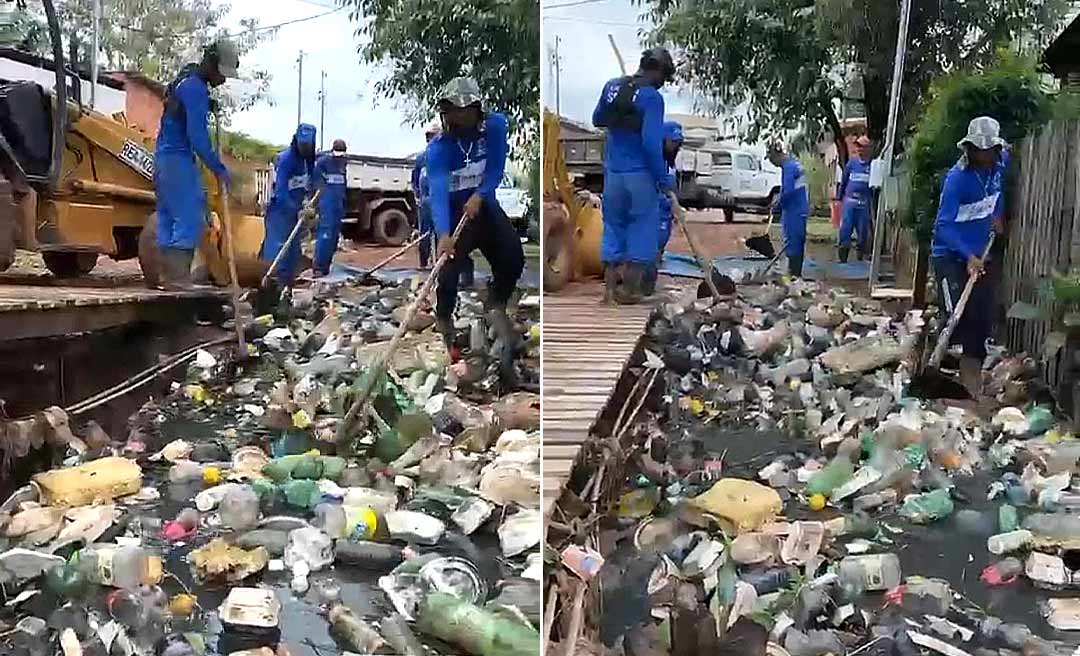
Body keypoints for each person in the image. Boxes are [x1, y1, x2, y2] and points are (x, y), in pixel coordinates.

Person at [426, 77, 524, 348]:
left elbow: (495, 168)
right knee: (447, 271)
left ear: (476, 109)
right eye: (450, 111)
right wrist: (444, 233)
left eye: (462, 111)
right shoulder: (438, 150)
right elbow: (437, 194)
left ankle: (496, 302)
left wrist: (481, 194)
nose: (456, 117)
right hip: (455, 213)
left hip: (484, 206)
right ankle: (444, 319)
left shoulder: (495, 127)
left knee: (513, 256)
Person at [930, 116, 1007, 396]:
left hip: (980, 252)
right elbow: (944, 226)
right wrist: (967, 256)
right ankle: (930, 360)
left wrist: (998, 216)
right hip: (950, 255)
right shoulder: (957, 179)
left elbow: (998, 194)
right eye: (978, 150)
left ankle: (970, 381)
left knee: (981, 318)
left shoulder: (1000, 164)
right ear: (970, 149)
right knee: (953, 316)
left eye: (988, 150)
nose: (984, 155)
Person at [592, 47, 676, 304]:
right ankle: (629, 291)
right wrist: (664, 179)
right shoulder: (651, 98)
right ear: (658, 71)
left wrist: (624, 115)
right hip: (640, 175)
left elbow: (597, 119)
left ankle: (608, 292)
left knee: (613, 226)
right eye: (664, 77)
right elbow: (651, 145)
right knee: (643, 228)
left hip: (614, 174)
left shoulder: (612, 87)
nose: (663, 84)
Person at [153, 39, 238, 289]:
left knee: (169, 217)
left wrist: (205, 105)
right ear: (211, 64)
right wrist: (219, 169)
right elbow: (198, 138)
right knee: (189, 215)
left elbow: (180, 108)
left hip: (163, 159)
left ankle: (168, 277)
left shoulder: (185, 80)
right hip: (178, 159)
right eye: (221, 74)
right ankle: (178, 279)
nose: (223, 80)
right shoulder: (196, 89)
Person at [260, 123, 317, 285]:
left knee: (293, 252)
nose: (305, 148)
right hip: (280, 212)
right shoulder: (285, 160)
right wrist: (295, 209)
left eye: (308, 145)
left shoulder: (309, 161)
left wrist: (308, 203)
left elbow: (311, 183)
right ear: (296, 140)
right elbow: (280, 192)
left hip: (296, 212)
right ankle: (272, 285)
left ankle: (288, 287)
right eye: (303, 144)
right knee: (278, 250)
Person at [643, 120, 683, 296]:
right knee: (650, 251)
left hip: (666, 216)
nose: (675, 145)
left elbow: (672, 187)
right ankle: (644, 288)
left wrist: (676, 207)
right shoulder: (655, 161)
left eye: (677, 143)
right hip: (654, 213)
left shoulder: (671, 163)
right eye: (672, 141)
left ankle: (649, 285)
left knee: (659, 251)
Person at [766, 143, 810, 278]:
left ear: (776, 155)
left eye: (771, 159)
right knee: (798, 240)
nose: (771, 162)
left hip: (793, 209)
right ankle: (796, 273)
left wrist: (778, 206)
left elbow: (788, 191)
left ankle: (793, 275)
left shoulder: (789, 168)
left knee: (792, 241)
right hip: (800, 207)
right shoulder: (794, 164)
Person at [311, 138, 348, 277]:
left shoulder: (343, 163)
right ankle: (319, 267)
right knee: (325, 235)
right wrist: (316, 203)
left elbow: (343, 184)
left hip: (338, 204)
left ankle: (326, 266)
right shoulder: (323, 163)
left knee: (334, 237)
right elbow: (317, 185)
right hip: (327, 204)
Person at [836, 135, 873, 262]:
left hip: (864, 203)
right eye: (858, 147)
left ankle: (860, 258)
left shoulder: (872, 166)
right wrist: (839, 198)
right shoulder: (852, 163)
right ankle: (842, 259)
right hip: (849, 202)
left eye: (862, 147)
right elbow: (844, 180)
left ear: (868, 149)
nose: (859, 149)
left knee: (863, 233)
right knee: (845, 230)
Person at [412, 120, 441, 269]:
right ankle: (424, 263)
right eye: (430, 137)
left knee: (438, 232)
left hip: (438, 201)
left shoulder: (443, 156)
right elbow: (415, 179)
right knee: (426, 233)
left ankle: (437, 264)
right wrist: (417, 195)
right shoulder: (422, 158)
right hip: (426, 202)